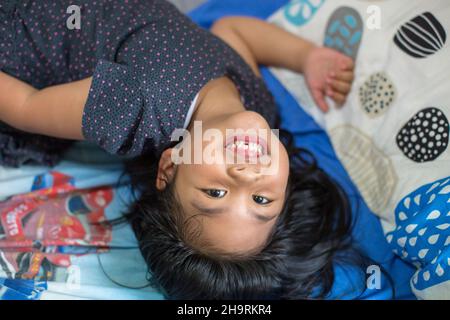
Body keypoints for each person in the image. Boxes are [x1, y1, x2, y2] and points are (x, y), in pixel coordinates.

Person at [0, 0, 359, 299]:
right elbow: (233, 30)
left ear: (169, 167)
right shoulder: (259, 108)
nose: (246, 175)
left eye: (216, 192)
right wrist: (305, 57)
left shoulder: (132, 109)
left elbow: (27, 106)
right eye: (261, 201)